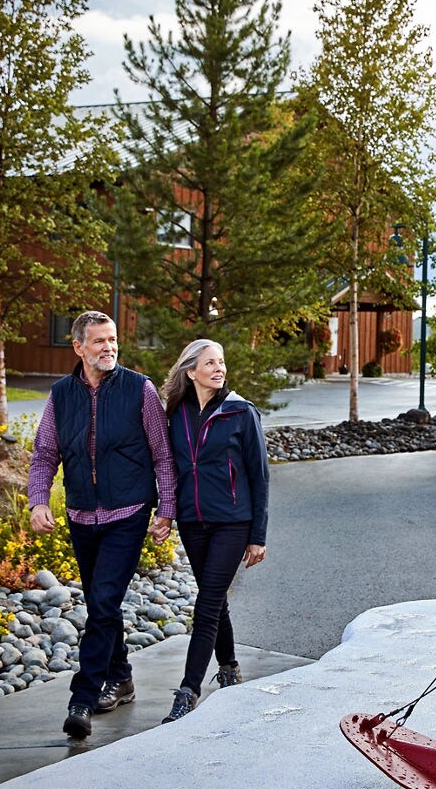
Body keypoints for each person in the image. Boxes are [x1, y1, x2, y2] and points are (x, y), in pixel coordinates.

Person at [27, 310, 177, 739]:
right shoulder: (61, 395)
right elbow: (44, 454)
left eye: (112, 340)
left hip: (127, 511)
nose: (108, 347)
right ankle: (122, 676)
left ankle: (83, 697)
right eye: (98, 341)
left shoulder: (139, 390)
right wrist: (39, 500)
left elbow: (162, 454)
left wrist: (165, 507)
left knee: (105, 600)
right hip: (80, 514)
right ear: (78, 347)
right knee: (100, 605)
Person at [159, 338, 269, 723]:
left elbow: (259, 475)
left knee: (205, 604)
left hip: (232, 521)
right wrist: (167, 513)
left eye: (221, 362)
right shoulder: (177, 412)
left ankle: (188, 691)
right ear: (191, 371)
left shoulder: (241, 412)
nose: (219, 368)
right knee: (214, 597)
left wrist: (258, 535)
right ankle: (230, 668)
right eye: (210, 363)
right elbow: (169, 468)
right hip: (193, 521)